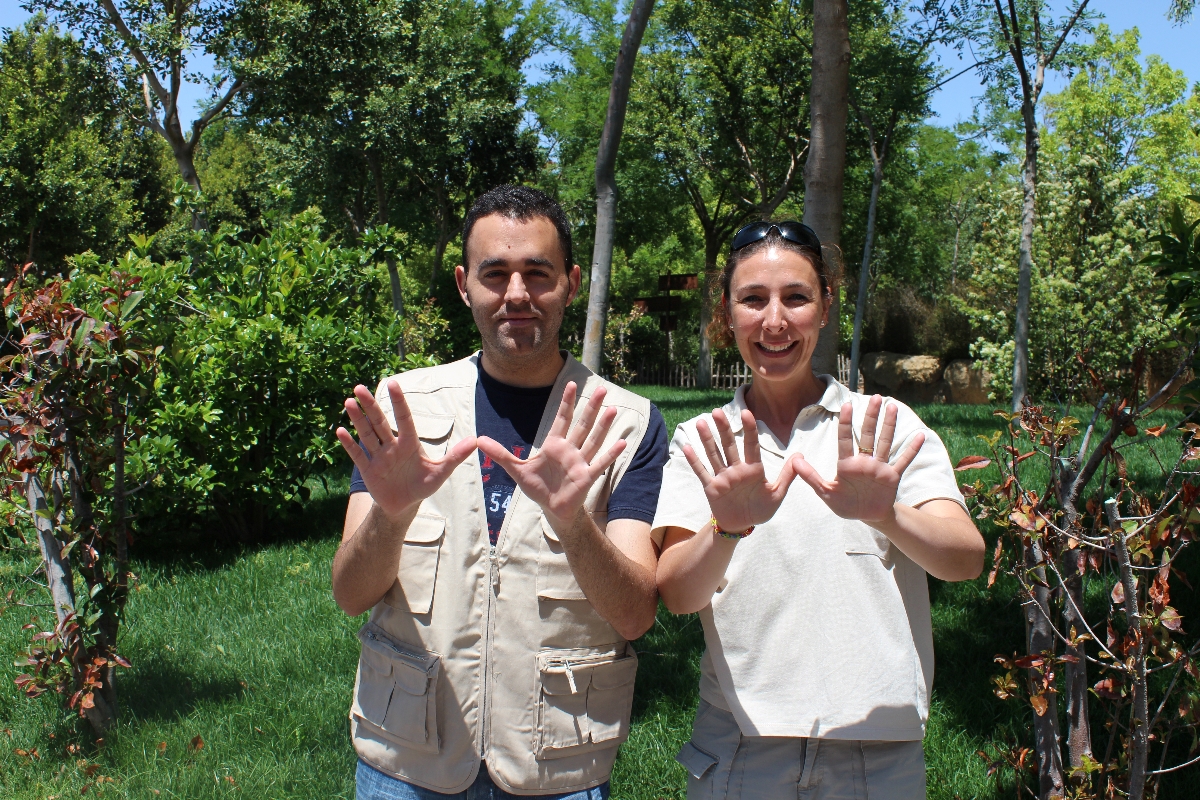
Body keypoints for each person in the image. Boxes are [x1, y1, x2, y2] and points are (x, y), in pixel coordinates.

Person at [333, 185, 669, 800]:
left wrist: (573, 523)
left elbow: (635, 614)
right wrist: (393, 512)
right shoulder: (403, 411)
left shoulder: (629, 424)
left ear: (570, 282)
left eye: (537, 274)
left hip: (557, 769)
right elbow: (352, 594)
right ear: (465, 285)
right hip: (407, 763)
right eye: (496, 274)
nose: (517, 295)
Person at [652, 221, 985, 799]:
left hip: (876, 747)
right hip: (739, 744)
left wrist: (887, 515)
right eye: (753, 300)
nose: (774, 321)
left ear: (826, 307)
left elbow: (965, 561)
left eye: (797, 298)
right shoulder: (703, 442)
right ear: (726, 314)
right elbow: (679, 596)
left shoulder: (885, 426)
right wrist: (726, 528)